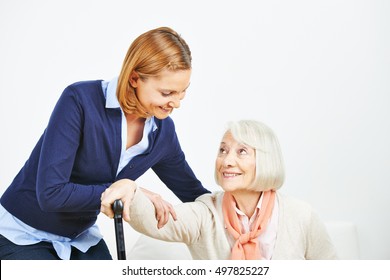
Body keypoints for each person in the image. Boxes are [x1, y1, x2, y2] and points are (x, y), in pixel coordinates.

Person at [0, 27, 210, 260]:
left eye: (182, 93)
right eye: (167, 92)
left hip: (80, 239)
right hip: (22, 233)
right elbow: (51, 193)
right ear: (134, 79)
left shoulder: (162, 132)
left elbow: (193, 192)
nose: (176, 103)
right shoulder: (80, 100)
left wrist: (242, 208)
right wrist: (129, 190)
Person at [101, 120, 338, 260]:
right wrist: (129, 187)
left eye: (241, 151)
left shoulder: (301, 216)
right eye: (223, 150)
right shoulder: (206, 212)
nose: (226, 161)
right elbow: (155, 221)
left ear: (266, 159)